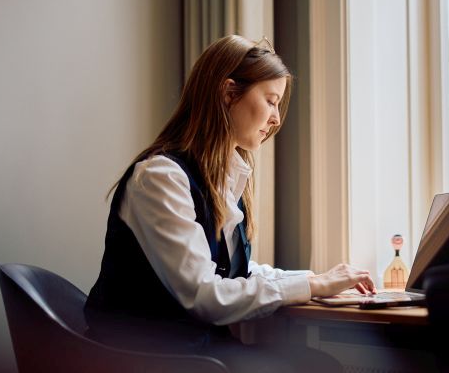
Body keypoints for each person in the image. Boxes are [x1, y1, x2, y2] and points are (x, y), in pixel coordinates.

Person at [84, 35, 376, 373]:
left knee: (319, 363)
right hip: (153, 357)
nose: (276, 119)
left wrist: (316, 278)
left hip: (198, 349)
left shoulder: (224, 177)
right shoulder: (160, 178)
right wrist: (312, 286)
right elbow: (205, 295)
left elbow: (233, 271)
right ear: (228, 93)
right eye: (270, 101)